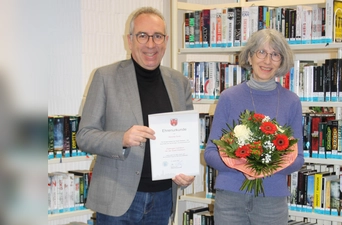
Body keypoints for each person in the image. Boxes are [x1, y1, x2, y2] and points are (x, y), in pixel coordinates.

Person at [76, 7, 195, 225]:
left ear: (166, 41)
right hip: (118, 199)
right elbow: (84, 136)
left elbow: (186, 139)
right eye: (143, 36)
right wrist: (122, 139)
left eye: (157, 36)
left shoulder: (179, 82)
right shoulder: (105, 77)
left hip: (162, 197)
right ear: (130, 40)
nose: (151, 44)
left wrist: (187, 172)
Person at [204, 29, 305, 225]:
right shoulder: (228, 97)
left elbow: (298, 158)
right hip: (231, 197)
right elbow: (210, 153)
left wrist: (266, 169)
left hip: (272, 200)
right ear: (250, 57)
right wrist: (243, 167)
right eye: (261, 52)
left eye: (275, 54)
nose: (267, 61)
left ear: (282, 61)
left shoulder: (291, 101)